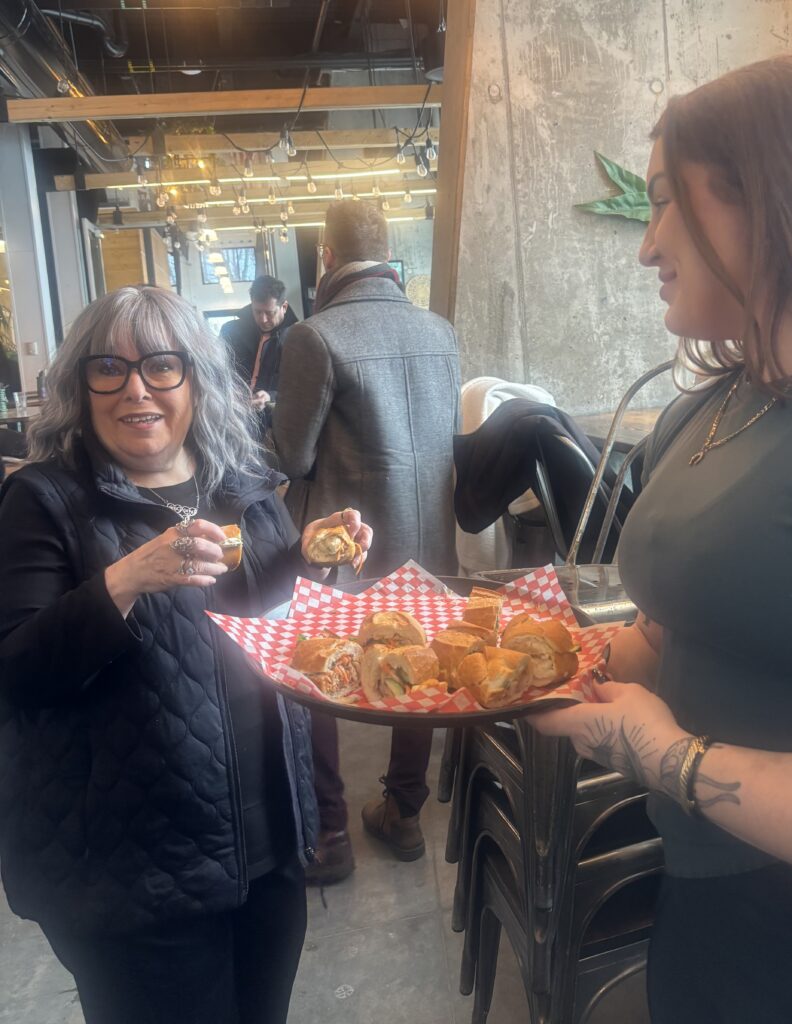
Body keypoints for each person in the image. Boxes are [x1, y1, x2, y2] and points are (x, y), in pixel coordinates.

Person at [535, 55, 792, 1023]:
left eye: (665, 200)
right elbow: (671, 639)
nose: (645, 246)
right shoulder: (702, 411)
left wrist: (672, 760)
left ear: (772, 196)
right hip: (702, 913)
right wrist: (520, 663)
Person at [0, 285, 372, 1024]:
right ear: (81, 385)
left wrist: (309, 559)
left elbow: (260, 615)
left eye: (162, 366)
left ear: (196, 379)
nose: (136, 388)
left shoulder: (240, 483)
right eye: (110, 368)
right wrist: (125, 581)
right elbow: (17, 671)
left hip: (268, 840)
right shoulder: (44, 501)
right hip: (131, 872)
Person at [274, 200, 460, 881]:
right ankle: (403, 810)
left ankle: (329, 833)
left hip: (344, 544)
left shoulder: (314, 336)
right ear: (388, 254)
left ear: (327, 256)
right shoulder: (440, 332)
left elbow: (292, 457)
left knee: (315, 665)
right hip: (428, 536)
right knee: (418, 660)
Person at [219, 274, 299, 429]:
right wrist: (228, 389)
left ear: (284, 307)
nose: (263, 319)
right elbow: (216, 369)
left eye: (270, 313)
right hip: (232, 417)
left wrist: (271, 396)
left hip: (273, 422)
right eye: (257, 311)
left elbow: (300, 386)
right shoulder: (230, 331)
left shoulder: (298, 338)